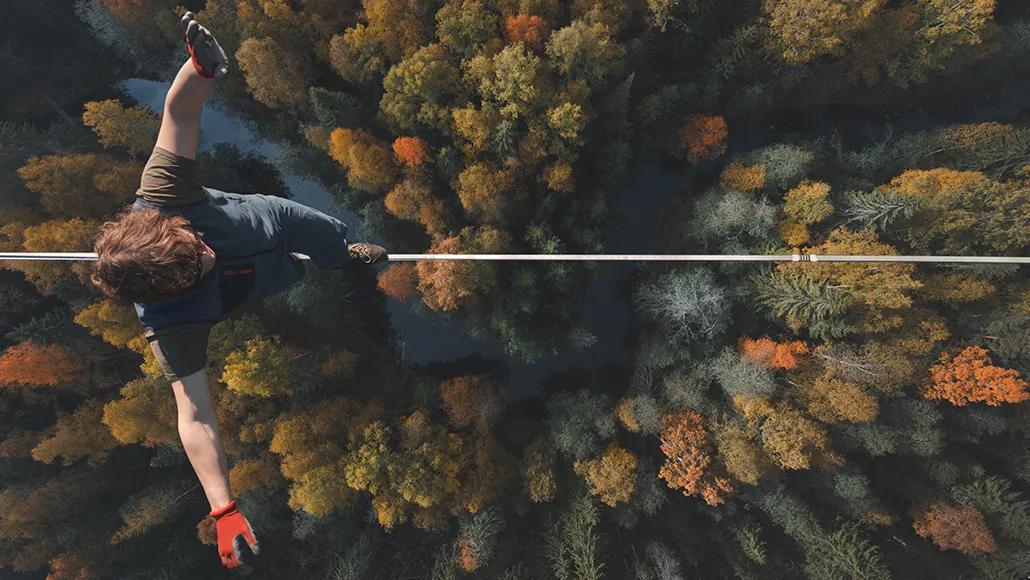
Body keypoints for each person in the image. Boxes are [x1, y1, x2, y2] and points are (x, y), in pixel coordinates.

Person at [89, 13, 386, 574]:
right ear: (168, 290)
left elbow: (177, 113)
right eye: (194, 266)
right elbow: (194, 417)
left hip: (267, 220)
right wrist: (222, 507)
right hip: (257, 279)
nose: (204, 252)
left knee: (328, 239)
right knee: (292, 274)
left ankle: (342, 257)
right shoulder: (168, 324)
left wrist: (200, 69)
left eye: (193, 244)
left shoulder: (160, 195)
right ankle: (318, 264)